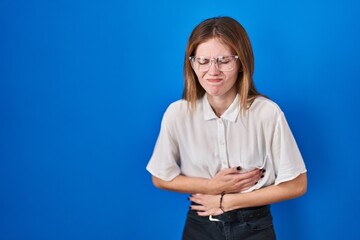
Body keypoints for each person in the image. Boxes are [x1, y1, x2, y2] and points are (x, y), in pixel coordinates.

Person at [146, 16, 307, 240]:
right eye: (203, 61)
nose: (213, 71)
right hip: (199, 226)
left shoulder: (267, 113)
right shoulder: (177, 113)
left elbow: (297, 185)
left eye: (224, 60)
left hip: (254, 227)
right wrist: (212, 186)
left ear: (242, 63)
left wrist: (226, 200)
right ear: (191, 64)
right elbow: (160, 177)